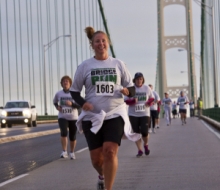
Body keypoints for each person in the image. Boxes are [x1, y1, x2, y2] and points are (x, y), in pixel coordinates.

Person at [70, 26, 140, 190]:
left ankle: (108, 188)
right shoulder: (85, 66)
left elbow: (132, 88)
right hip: (92, 116)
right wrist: (83, 102)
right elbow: (74, 91)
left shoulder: (118, 64)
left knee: (110, 152)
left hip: (115, 113)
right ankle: (102, 175)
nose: (100, 44)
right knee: (96, 159)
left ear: (108, 43)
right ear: (92, 45)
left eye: (103, 41)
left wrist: (127, 91)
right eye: (97, 41)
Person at [125, 73, 154, 157]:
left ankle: (146, 144)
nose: (139, 80)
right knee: (136, 133)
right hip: (133, 114)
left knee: (145, 132)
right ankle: (140, 150)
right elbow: (125, 100)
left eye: (140, 79)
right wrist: (132, 101)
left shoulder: (147, 88)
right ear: (135, 80)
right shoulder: (131, 89)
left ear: (143, 80)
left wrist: (149, 102)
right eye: (137, 79)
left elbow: (152, 98)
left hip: (145, 113)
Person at [53, 75, 80, 160]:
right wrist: (57, 107)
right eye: (64, 81)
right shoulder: (58, 93)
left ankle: (72, 152)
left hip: (73, 117)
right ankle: (64, 151)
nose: (65, 83)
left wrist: (72, 104)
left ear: (70, 84)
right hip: (62, 116)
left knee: (72, 136)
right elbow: (55, 102)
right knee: (64, 132)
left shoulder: (75, 93)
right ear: (61, 84)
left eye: (67, 81)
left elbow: (79, 105)